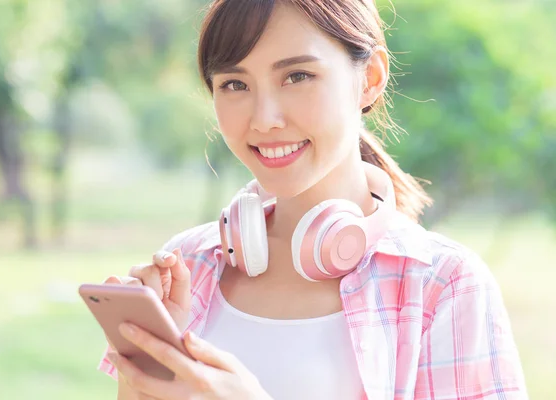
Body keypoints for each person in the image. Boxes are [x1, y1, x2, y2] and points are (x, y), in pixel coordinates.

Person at [97, 0, 529, 398]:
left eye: (297, 76)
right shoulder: (187, 265)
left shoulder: (441, 283)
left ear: (370, 79)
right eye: (234, 84)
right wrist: (147, 372)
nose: (265, 119)